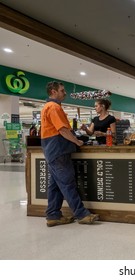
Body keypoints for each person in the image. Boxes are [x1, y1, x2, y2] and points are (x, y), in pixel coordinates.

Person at [41, 81, 99, 227]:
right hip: (59, 150)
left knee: (55, 185)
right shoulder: (54, 107)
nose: (64, 93)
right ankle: (82, 214)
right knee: (67, 183)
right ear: (53, 92)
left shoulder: (48, 106)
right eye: (62, 90)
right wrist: (76, 141)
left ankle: (53, 215)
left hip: (52, 150)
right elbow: (62, 130)